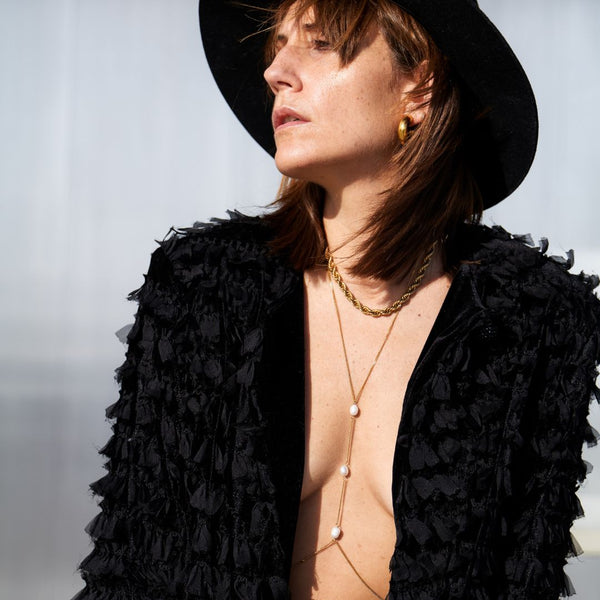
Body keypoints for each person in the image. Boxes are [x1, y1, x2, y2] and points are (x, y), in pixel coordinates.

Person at [73, 1, 600, 598]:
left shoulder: (532, 319)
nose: (276, 71)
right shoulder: (202, 289)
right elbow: (131, 564)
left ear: (419, 86)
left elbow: (525, 573)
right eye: (277, 46)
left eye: (320, 42)